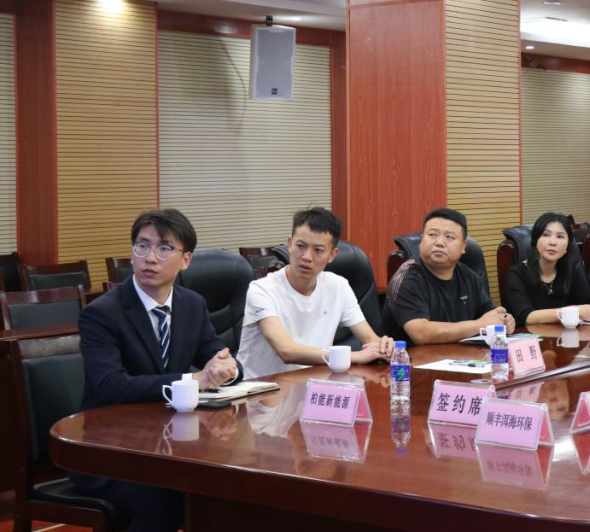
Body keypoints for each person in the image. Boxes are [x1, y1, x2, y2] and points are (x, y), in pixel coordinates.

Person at [76, 209, 242, 531]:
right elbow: (109, 385)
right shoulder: (103, 313)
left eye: (164, 248)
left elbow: (219, 357)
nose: (150, 258)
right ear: (132, 253)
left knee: (226, 486)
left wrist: (226, 369)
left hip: (171, 443)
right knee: (167, 497)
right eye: (142, 246)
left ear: (186, 260)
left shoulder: (192, 304)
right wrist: (193, 379)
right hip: (109, 450)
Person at [236, 207, 394, 379]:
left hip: (315, 386)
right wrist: (355, 357)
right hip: (263, 389)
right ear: (289, 244)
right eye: (300, 246)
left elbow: (369, 339)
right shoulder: (261, 290)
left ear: (332, 255)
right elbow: (286, 351)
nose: (307, 257)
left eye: (318, 250)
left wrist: (383, 346)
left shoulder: (338, 286)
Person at [383, 208, 514, 345]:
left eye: (449, 237)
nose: (439, 242)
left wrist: (503, 320)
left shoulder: (467, 275)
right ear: (421, 240)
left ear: (463, 246)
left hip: (461, 355)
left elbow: (489, 315)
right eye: (432, 234)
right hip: (411, 357)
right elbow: (420, 334)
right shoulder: (408, 277)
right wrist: (479, 325)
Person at [503, 212, 590, 327]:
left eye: (560, 237)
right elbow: (526, 316)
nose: (553, 242)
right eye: (546, 235)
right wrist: (571, 312)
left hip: (565, 336)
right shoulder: (517, 274)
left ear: (567, 246)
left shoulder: (569, 271)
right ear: (535, 241)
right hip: (531, 336)